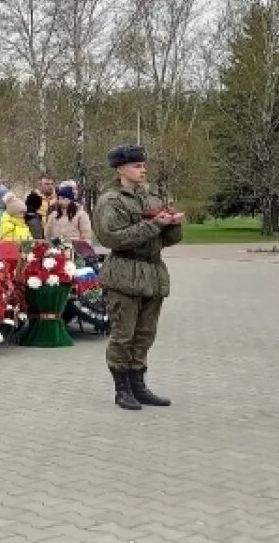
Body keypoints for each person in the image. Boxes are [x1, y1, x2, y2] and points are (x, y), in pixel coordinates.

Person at [94, 144, 183, 411]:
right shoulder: (111, 201)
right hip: (124, 274)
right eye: (137, 166)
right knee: (124, 335)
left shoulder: (152, 196)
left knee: (145, 335)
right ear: (121, 169)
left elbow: (166, 240)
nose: (143, 170)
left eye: (143, 165)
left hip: (152, 275)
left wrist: (172, 225)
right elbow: (113, 238)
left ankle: (139, 386)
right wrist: (154, 225)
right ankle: (122, 389)